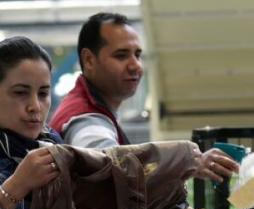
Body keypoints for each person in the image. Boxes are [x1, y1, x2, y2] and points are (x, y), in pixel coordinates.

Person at [50, 12, 236, 184]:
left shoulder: (93, 108)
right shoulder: (85, 118)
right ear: (89, 60)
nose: (135, 66)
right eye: (121, 55)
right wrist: (185, 160)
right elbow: (110, 164)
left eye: (137, 55)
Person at [0, 36, 61, 209]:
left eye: (43, 93)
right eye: (20, 93)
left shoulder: (55, 147)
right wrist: (17, 186)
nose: (35, 106)